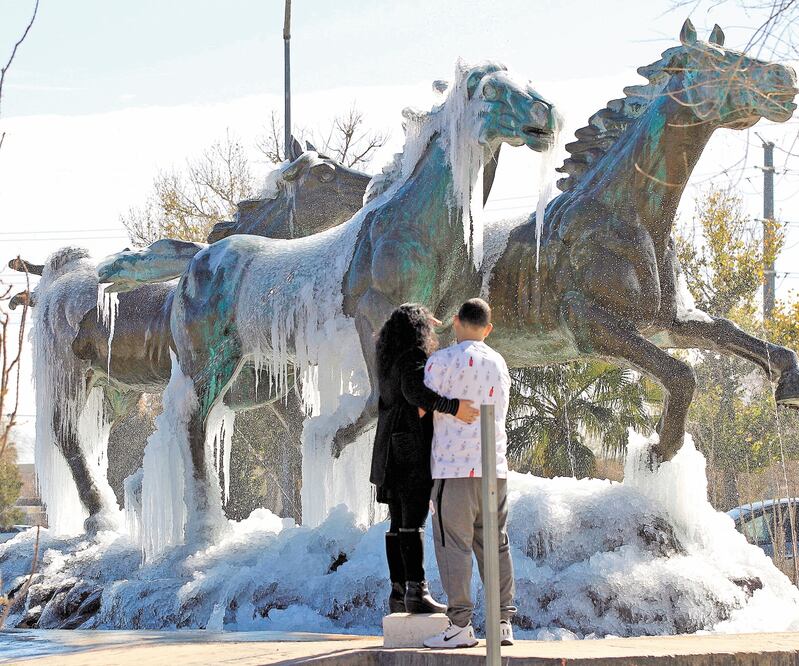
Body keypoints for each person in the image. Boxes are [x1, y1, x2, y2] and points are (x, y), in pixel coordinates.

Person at [372, 303, 480, 615]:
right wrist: (453, 406)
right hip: (409, 449)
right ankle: (416, 592)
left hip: (388, 448)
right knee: (413, 520)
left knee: (397, 522)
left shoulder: (387, 358)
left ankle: (399, 590)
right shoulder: (412, 357)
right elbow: (414, 392)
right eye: (427, 326)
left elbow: (401, 396)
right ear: (419, 330)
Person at [422, 298, 517, 648]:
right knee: (496, 544)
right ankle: (503, 622)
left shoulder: (442, 361)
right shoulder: (500, 363)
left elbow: (420, 400)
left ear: (457, 322)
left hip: (454, 468)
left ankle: (460, 625)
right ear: (488, 329)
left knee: (454, 547)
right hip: (495, 469)